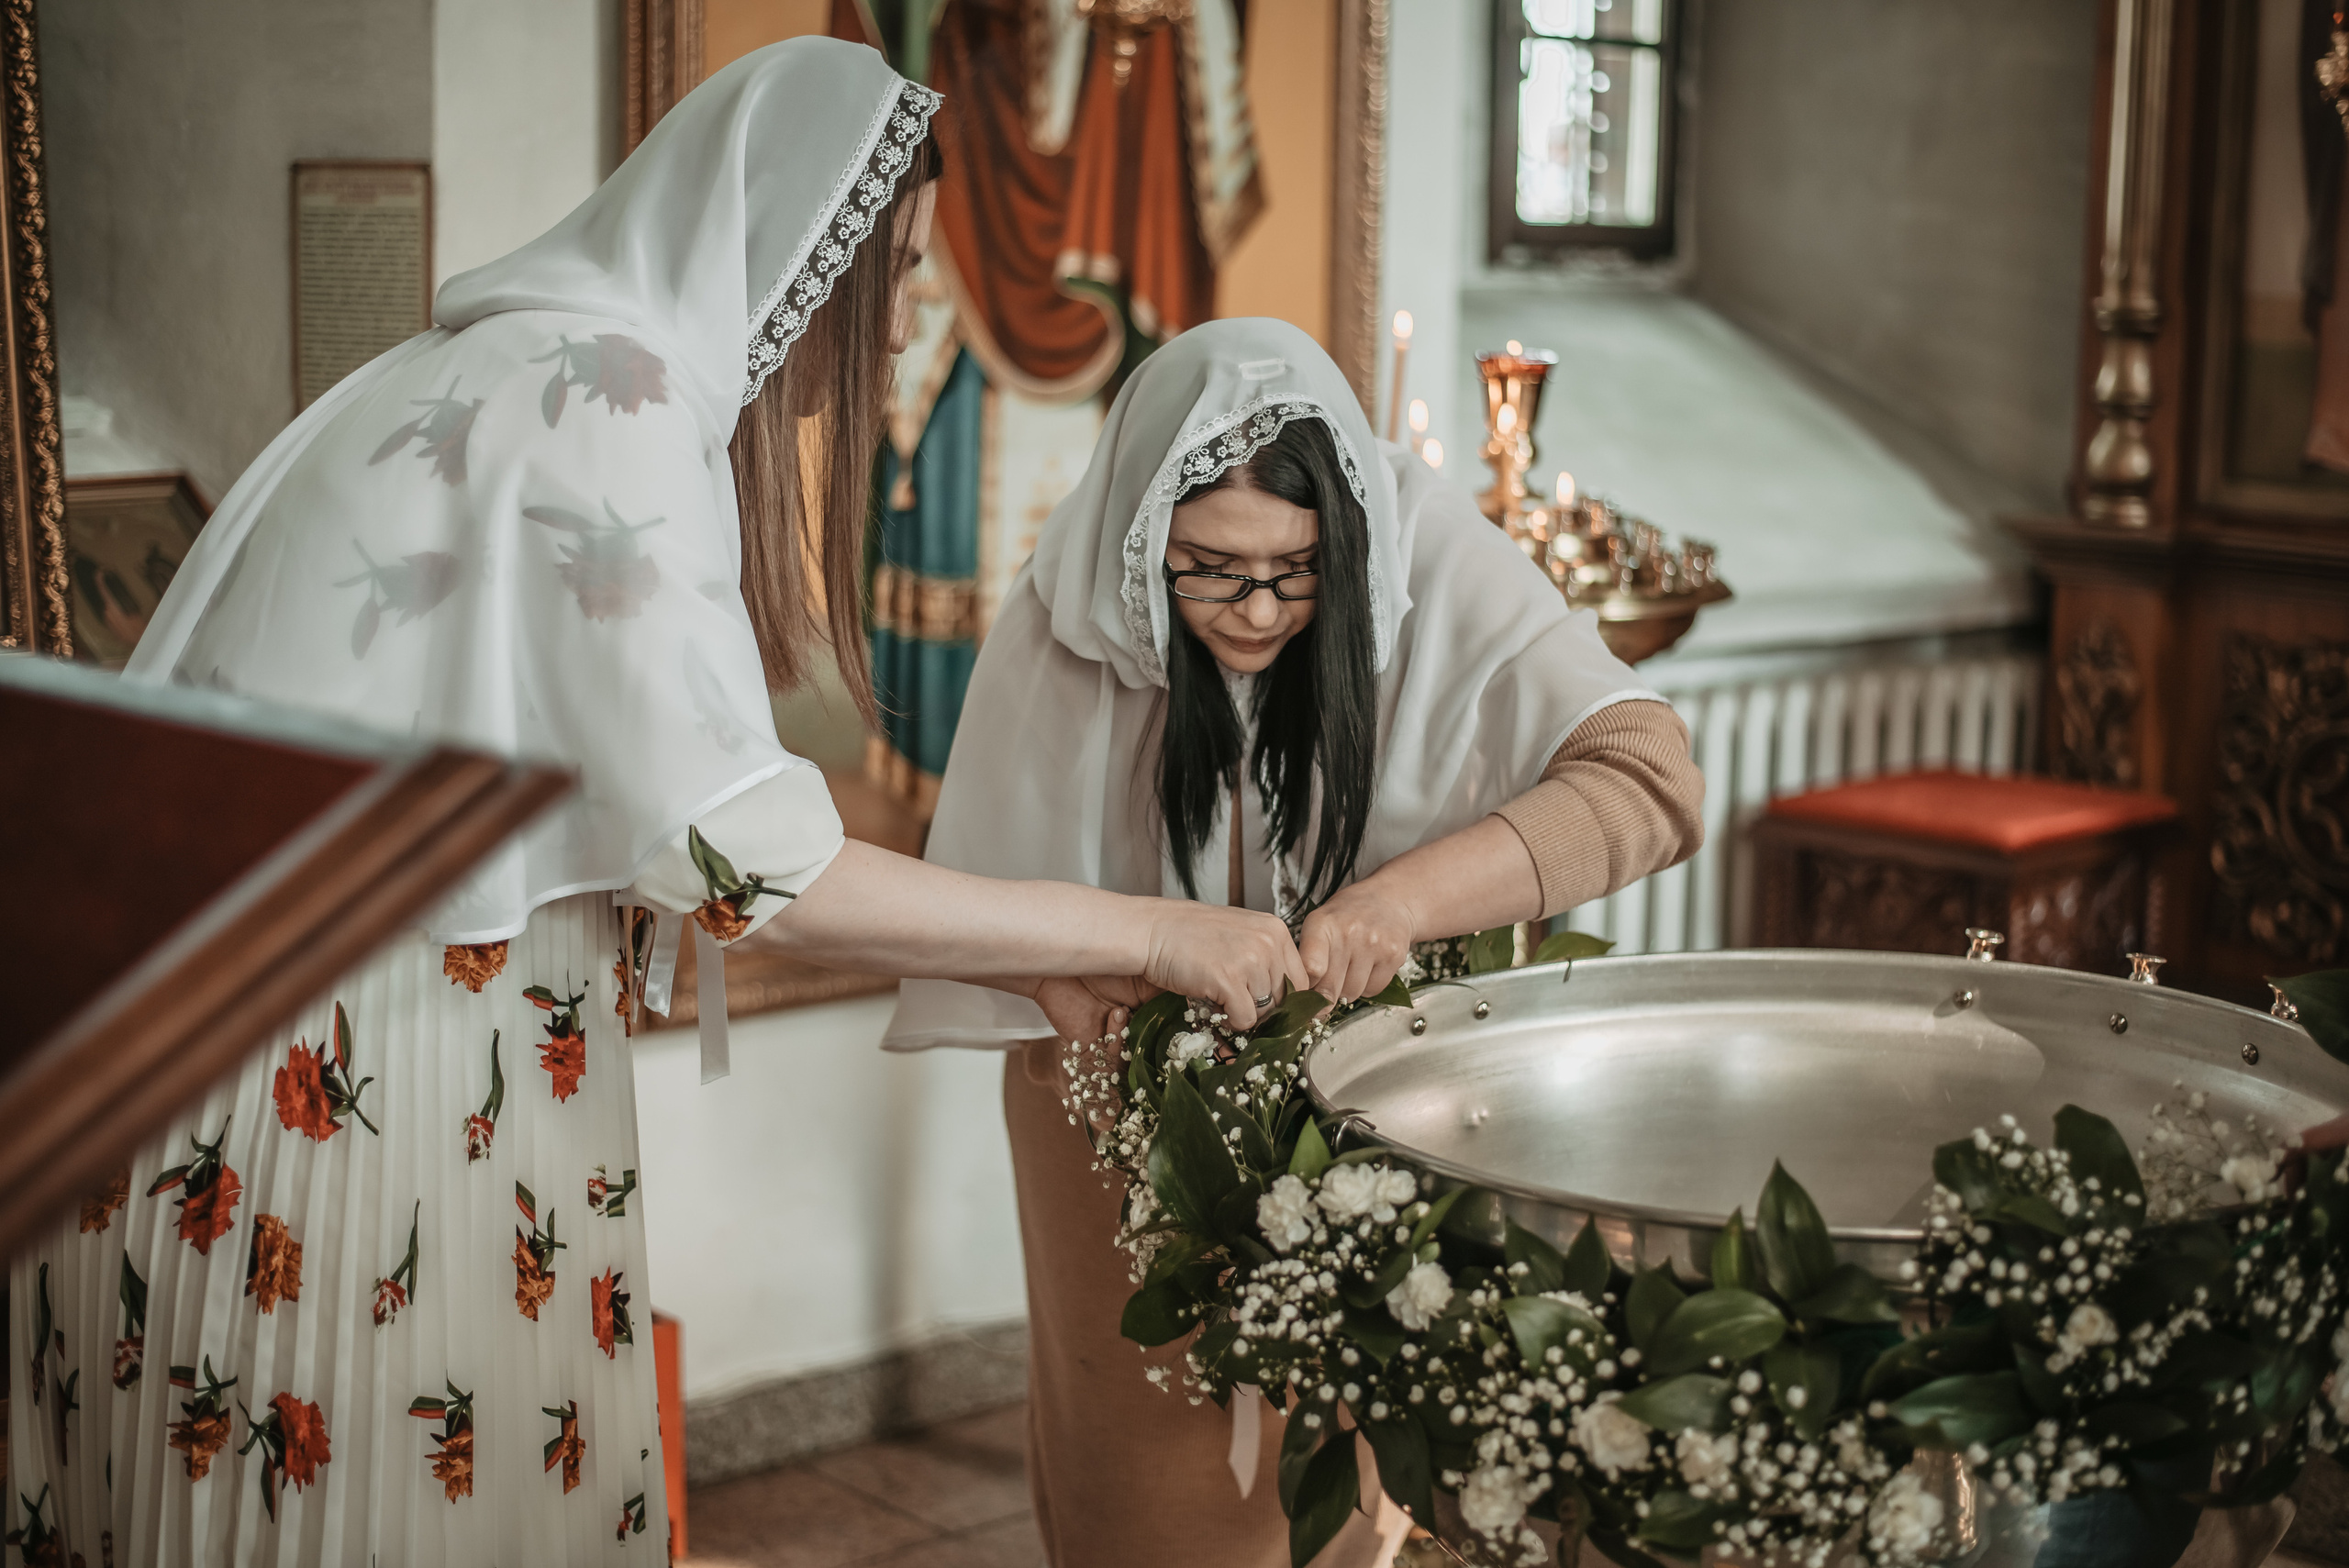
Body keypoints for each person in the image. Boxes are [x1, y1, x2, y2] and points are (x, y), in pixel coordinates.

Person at [6, 41, 1299, 1567]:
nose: (897, 339)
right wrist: (1139, 932)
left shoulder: (494, 362)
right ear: (783, 256)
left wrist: (1036, 956)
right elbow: (744, 851)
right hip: (355, 1070)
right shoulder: (607, 399)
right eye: (880, 279)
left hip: (230, 1036)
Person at [882, 317, 1707, 1566]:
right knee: (1143, 1492)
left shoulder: (1429, 549)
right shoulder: (1078, 586)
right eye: (1210, 568)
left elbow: (1651, 781)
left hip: (1364, 1108)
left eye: (1297, 569)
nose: (1257, 609)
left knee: (1348, 1490)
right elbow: (994, 905)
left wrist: (1394, 904)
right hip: (1108, 1095)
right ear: (1147, 537)